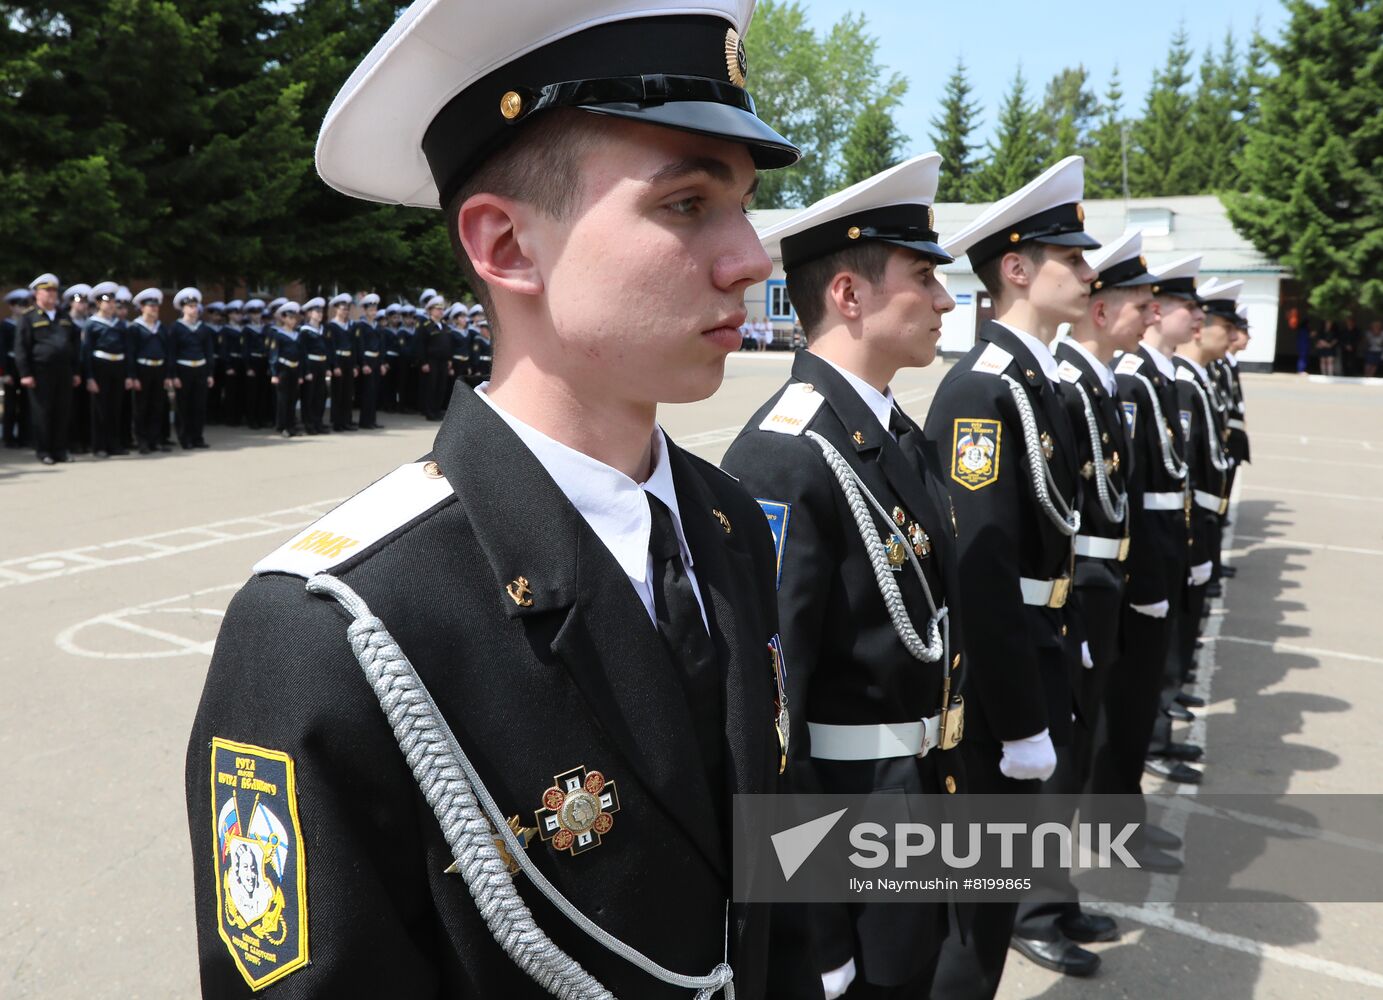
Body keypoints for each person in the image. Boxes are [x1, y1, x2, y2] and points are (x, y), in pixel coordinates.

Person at [186, 0, 812, 996]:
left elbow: (757, 850)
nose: (752, 257)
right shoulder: (331, 627)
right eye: (689, 204)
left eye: (741, 204)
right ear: (508, 247)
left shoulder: (728, 523)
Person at [722, 153, 964, 999]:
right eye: (923, 279)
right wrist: (813, 927)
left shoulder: (897, 432)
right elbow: (769, 713)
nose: (944, 301)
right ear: (849, 296)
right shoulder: (783, 456)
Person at [922, 156, 1098, 998]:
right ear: (1017, 270)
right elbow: (982, 567)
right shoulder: (981, 392)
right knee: (976, 908)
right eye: (1072, 258)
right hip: (1005, 679)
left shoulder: (1034, 382)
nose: (1089, 272)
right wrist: (1021, 716)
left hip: (1042, 646)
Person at [1009, 229, 1155, 973]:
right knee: (1055, 761)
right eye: (1138, 303)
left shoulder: (1079, 383)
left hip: (1085, 589)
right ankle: (1031, 908)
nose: (1149, 316)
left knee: (1073, 752)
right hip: (1059, 595)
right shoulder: (1046, 383)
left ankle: (1053, 894)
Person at [1135, 255, 1208, 784]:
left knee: (1153, 661)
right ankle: (1151, 742)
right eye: (1190, 306)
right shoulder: (1133, 377)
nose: (1198, 318)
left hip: (1166, 538)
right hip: (1138, 550)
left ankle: (1155, 735)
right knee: (1134, 676)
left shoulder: (1163, 376)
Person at [14, 274, 83, 465]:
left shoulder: (63, 316)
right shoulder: (29, 317)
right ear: (37, 294)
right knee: (42, 413)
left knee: (63, 411)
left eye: (54, 291)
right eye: (48, 291)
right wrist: (25, 373)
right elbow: (21, 347)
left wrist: (75, 371)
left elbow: (74, 345)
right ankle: (44, 450)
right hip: (40, 372)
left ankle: (61, 449)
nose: (52, 294)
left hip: (64, 371)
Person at [80, 281, 134, 458]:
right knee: (100, 409)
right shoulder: (92, 324)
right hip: (100, 366)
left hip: (117, 366)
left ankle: (114, 444)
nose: (110, 305)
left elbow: (127, 350)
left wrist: (128, 375)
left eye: (113, 302)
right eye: (106, 301)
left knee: (115, 407)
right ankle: (99, 446)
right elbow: (86, 352)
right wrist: (89, 377)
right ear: (98, 303)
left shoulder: (119, 324)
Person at [170, 287, 215, 449]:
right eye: (190, 306)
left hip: (200, 369)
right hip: (183, 370)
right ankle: (185, 438)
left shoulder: (203, 328)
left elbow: (208, 351)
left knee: (199, 406)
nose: (194, 309)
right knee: (184, 406)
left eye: (195, 306)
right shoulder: (176, 328)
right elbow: (172, 353)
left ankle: (197, 437)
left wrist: (210, 373)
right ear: (183, 308)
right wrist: (173, 375)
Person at [129, 288, 172, 454]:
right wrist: (133, 376)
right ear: (142, 308)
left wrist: (168, 374)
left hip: (159, 368)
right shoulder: (135, 328)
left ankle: (155, 440)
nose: (154, 309)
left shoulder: (161, 328)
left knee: (157, 406)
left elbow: (167, 352)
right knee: (141, 407)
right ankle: (142, 441)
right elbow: (131, 353)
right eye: (150, 306)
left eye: (156, 306)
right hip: (142, 369)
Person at [63, 284, 94, 455]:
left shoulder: (89, 322)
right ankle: (72, 441)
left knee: (86, 406)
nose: (83, 305)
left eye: (85, 302)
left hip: (86, 367)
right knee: (71, 407)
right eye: (79, 301)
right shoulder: (64, 321)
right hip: (71, 368)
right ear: (71, 303)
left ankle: (85, 440)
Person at [269, 300, 305, 438]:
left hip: (294, 369)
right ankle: (282, 426)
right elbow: (273, 355)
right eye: (290, 317)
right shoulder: (278, 335)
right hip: (283, 370)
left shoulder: (297, 335)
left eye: (294, 318)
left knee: (293, 399)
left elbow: (300, 355)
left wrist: (301, 374)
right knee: (283, 400)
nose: (293, 321)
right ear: (283, 318)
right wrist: (274, 373)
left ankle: (291, 426)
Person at [3, 287, 34, 449]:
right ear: (11, 306)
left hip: (25, 367)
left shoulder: (28, 323)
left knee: (26, 404)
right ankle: (8, 437)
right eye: (17, 305)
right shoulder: (6, 325)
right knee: (10, 404)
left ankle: (25, 436)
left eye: (24, 305)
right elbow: (2, 350)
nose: (21, 308)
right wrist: (4, 373)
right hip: (11, 366)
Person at [415, 293, 452, 419]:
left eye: (442, 309)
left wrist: (449, 360)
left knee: (441, 386)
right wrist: (423, 362)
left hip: (443, 361)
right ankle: (429, 411)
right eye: (438, 309)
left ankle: (437, 410)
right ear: (430, 310)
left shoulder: (445, 326)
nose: (441, 311)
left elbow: (448, 344)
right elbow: (420, 345)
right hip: (431, 361)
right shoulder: (426, 326)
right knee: (431, 386)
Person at [353, 293, 385, 429]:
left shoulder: (378, 326)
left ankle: (372, 420)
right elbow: (359, 346)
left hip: (376, 361)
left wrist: (382, 363)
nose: (373, 312)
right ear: (365, 310)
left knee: (374, 392)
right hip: (367, 361)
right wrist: (363, 364)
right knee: (367, 392)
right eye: (370, 309)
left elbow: (381, 346)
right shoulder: (361, 325)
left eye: (375, 309)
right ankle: (365, 421)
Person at [327, 292, 359, 431]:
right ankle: (337, 422)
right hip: (338, 361)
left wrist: (355, 365)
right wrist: (334, 365)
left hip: (349, 361)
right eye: (342, 308)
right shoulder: (331, 326)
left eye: (347, 309)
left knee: (348, 393)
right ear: (336, 309)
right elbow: (331, 347)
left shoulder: (351, 326)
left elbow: (354, 346)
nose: (345, 311)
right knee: (337, 393)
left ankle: (347, 421)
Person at [299, 297, 330, 434]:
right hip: (311, 365)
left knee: (321, 395)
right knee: (309, 396)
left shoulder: (324, 329)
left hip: (322, 364)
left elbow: (328, 350)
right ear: (310, 313)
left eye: (321, 312)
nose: (319, 314)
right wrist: (306, 371)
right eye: (316, 312)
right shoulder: (305, 331)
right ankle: (309, 424)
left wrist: (328, 367)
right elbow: (303, 352)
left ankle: (318, 422)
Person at [240, 300, 270, 430]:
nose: (256, 316)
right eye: (253, 313)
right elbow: (245, 350)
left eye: (258, 313)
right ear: (249, 315)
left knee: (263, 392)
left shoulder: (266, 328)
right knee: (252, 393)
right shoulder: (246, 330)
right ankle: (251, 419)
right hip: (253, 362)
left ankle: (261, 418)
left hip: (264, 361)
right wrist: (248, 367)